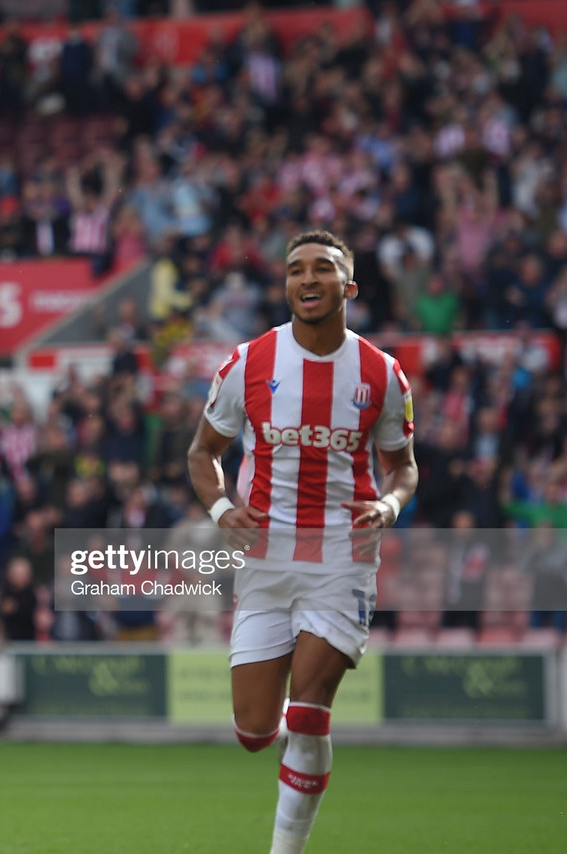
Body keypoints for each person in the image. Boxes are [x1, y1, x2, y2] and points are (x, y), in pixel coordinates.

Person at [187, 230, 418, 854]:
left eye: (323, 268)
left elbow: (404, 466)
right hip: (266, 561)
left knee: (309, 707)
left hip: (343, 558)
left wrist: (391, 504)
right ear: (285, 285)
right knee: (255, 728)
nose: (307, 279)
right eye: (295, 270)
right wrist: (218, 507)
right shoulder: (248, 363)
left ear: (350, 286)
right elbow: (202, 453)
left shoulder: (382, 374)